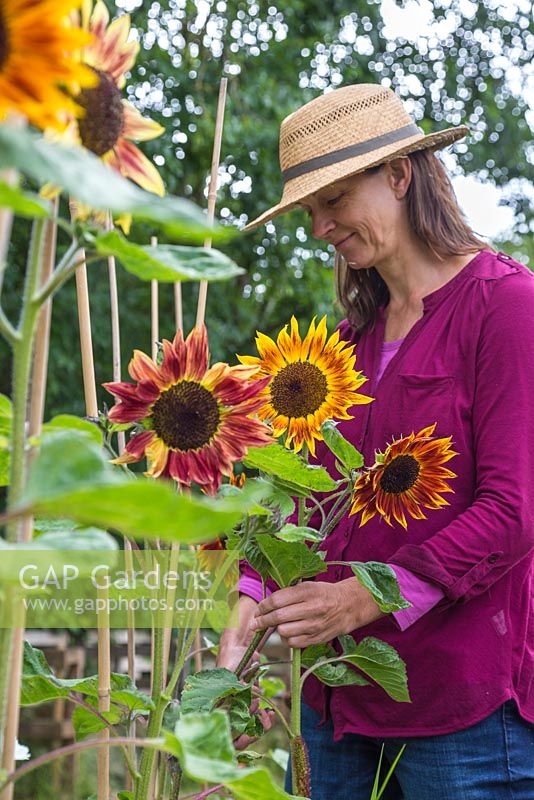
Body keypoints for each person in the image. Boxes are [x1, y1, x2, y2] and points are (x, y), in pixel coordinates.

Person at [217, 83, 534, 799]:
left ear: (399, 174)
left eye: (332, 201)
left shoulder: (507, 306)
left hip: (463, 713)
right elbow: (309, 498)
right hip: (337, 710)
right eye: (309, 211)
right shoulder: (346, 347)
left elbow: (515, 509)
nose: (320, 226)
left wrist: (364, 598)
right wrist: (248, 607)